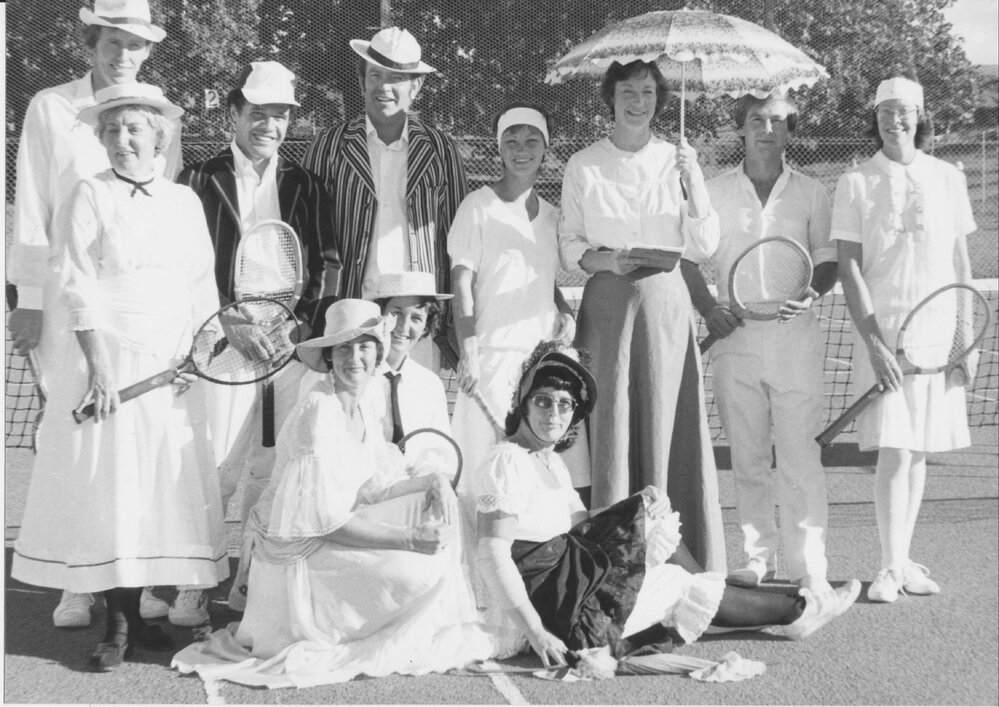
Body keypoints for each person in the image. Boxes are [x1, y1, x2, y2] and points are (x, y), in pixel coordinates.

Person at [10, 84, 228, 672]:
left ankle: (146, 613)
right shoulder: (88, 193)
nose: (122, 140)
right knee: (113, 489)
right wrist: (99, 369)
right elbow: (77, 284)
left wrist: (200, 352)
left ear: (159, 136)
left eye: (134, 128)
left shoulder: (185, 202)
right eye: (111, 130)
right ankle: (120, 622)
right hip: (107, 361)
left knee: (161, 487)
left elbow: (201, 283)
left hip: (173, 366)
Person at [472, 341, 861, 666]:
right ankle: (801, 610)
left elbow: (579, 522)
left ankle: (786, 604)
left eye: (564, 404)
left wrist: (638, 504)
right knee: (677, 585)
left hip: (573, 579)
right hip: (559, 604)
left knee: (656, 524)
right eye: (543, 401)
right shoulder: (506, 461)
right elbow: (493, 553)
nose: (554, 414)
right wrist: (535, 632)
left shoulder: (548, 460)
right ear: (523, 403)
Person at [171, 300, 495, 688]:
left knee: (441, 515)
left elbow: (374, 488)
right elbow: (324, 525)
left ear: (378, 354)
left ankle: (378, 622)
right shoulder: (318, 409)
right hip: (298, 565)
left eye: (364, 346)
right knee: (416, 571)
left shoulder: (362, 404)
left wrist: (432, 482)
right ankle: (352, 630)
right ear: (328, 358)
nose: (354, 358)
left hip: (331, 537)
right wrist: (410, 540)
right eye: (343, 348)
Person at [5, 0, 181, 630]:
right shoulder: (49, 107)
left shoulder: (160, 108)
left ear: (147, 50)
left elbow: (161, 204)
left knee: (139, 446)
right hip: (65, 302)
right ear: (89, 43)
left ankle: (134, 574)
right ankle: (75, 582)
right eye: (112, 41)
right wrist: (25, 300)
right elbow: (31, 207)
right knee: (74, 436)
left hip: (142, 314)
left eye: (134, 44)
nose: (123, 54)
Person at [177, 61, 341, 617]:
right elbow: (185, 267)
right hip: (224, 343)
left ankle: (249, 583)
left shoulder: (306, 183)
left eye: (280, 115)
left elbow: (327, 263)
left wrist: (298, 328)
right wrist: (228, 321)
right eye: (259, 114)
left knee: (272, 471)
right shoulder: (198, 181)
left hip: (287, 347)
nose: (269, 125)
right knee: (216, 468)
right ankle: (190, 583)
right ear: (234, 114)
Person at [558, 59, 725, 572]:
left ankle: (680, 564)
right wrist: (608, 260)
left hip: (665, 311)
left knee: (666, 427)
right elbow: (569, 247)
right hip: (608, 310)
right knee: (610, 428)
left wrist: (694, 179)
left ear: (660, 98)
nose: (639, 100)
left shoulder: (677, 161)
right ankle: (611, 565)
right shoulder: (583, 164)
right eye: (628, 90)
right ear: (611, 96)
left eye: (649, 91)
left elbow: (705, 244)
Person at [683, 92, 838, 594]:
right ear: (741, 130)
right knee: (748, 458)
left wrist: (810, 295)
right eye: (757, 121)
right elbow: (687, 258)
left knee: (798, 458)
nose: (767, 130)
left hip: (796, 341)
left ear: (789, 130)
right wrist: (710, 309)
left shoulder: (813, 193)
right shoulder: (713, 190)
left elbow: (828, 259)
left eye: (777, 121)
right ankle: (755, 559)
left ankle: (807, 565)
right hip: (737, 342)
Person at [833, 77, 977, 603]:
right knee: (894, 449)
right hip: (885, 331)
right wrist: (874, 343)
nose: (897, 120)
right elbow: (849, 266)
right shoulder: (855, 182)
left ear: (920, 117)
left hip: (941, 333)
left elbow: (960, 262)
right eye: (887, 112)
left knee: (916, 452)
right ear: (875, 118)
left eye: (906, 111)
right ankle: (889, 566)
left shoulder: (947, 177)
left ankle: (903, 559)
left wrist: (966, 339)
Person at [301, 26, 468, 369]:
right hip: (350, 311)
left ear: (416, 87)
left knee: (410, 415)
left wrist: (448, 321)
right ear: (362, 81)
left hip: (415, 320)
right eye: (376, 75)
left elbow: (458, 238)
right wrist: (312, 314)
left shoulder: (441, 149)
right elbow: (308, 236)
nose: (385, 87)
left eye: (397, 78)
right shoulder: (329, 145)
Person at [449, 103, 579, 489]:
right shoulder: (477, 206)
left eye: (531, 140)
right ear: (499, 149)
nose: (521, 149)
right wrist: (469, 349)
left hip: (538, 364)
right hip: (489, 361)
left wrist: (562, 309)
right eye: (512, 141)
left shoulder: (554, 216)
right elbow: (461, 283)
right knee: (478, 473)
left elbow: (539, 277)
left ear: (545, 148)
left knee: (529, 476)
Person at [368, 272, 453, 443]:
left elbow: (439, 450)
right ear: (380, 314)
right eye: (396, 314)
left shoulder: (430, 385)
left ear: (426, 325)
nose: (404, 326)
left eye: (416, 318)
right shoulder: (361, 375)